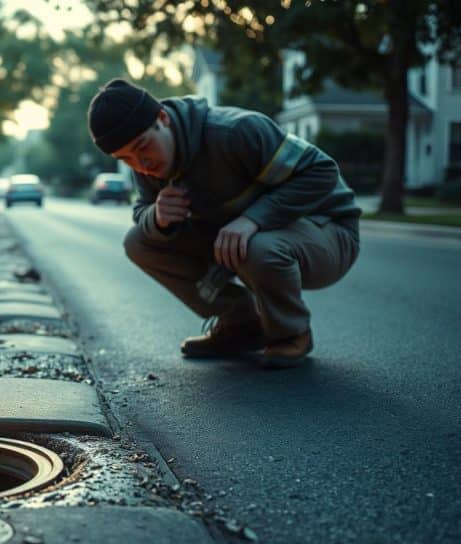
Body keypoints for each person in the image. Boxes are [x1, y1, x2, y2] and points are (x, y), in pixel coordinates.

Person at [87, 79, 361, 368]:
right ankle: (241, 324)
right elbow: (142, 209)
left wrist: (252, 219)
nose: (141, 163)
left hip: (327, 230)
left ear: (163, 118)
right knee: (138, 242)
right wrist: (158, 216)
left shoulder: (235, 131)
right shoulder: (146, 165)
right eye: (125, 158)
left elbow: (321, 171)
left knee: (256, 246)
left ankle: (290, 334)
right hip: (244, 235)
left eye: (142, 146)